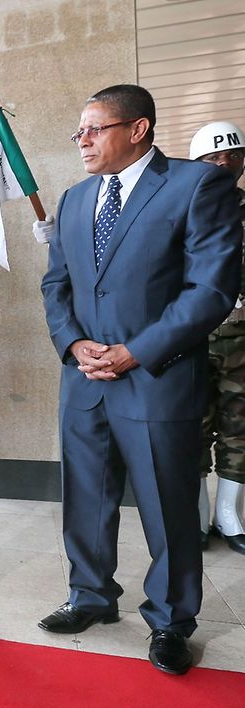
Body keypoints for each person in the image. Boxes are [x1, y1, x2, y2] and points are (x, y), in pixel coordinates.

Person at [39, 85, 241, 675]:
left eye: (94, 129)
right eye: (79, 131)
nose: (82, 141)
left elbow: (209, 290)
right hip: (84, 380)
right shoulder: (75, 201)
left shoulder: (196, 186)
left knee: (168, 505)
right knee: (85, 499)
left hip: (158, 378)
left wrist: (134, 352)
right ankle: (91, 597)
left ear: (138, 129)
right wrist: (73, 343)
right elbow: (57, 286)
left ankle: (173, 619)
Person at [189, 121, 245, 555]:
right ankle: (193, 517)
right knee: (191, 430)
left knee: (239, 430)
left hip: (243, 345)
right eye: (212, 156)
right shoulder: (182, 212)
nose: (224, 161)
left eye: (232, 154)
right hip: (194, 342)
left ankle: (228, 516)